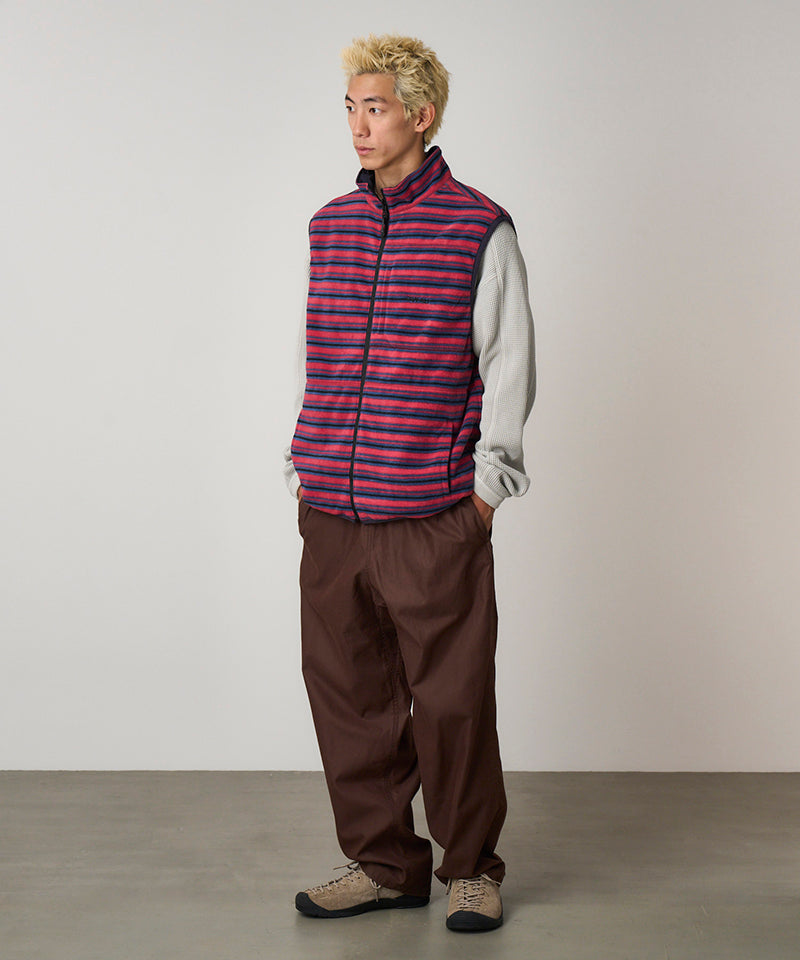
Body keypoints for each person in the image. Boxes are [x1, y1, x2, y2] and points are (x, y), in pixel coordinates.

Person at [282, 33, 535, 933]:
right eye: (351, 107)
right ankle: (386, 865)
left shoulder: (478, 228)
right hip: (333, 510)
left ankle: (471, 869)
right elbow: (318, 354)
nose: (359, 124)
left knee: (453, 702)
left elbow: (508, 362)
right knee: (350, 696)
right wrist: (301, 462)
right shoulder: (330, 226)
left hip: (434, 512)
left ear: (421, 115)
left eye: (377, 107)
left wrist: (486, 491)